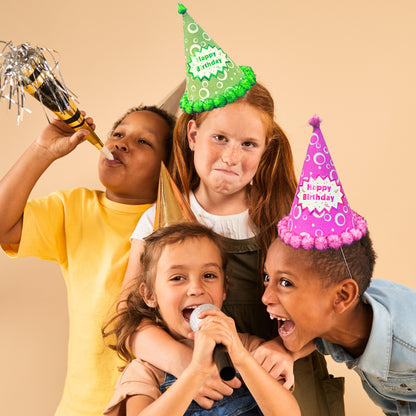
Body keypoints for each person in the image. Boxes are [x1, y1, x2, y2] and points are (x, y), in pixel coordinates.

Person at [120, 6, 345, 416]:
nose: (231, 157)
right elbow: (128, 319)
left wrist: (286, 349)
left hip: (285, 384)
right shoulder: (160, 219)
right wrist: (187, 363)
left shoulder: (289, 218)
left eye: (248, 144)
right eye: (219, 138)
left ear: (265, 150)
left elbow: (334, 306)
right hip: (199, 389)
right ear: (193, 134)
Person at [0, 105, 176, 416]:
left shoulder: (176, 225)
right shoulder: (74, 208)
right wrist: (42, 151)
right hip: (79, 408)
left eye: (143, 141)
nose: (121, 143)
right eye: (118, 134)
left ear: (169, 167)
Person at [262, 116, 416, 415]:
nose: (265, 296)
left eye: (285, 282)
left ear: (343, 296)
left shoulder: (409, 343)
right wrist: (283, 349)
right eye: (267, 277)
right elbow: (321, 325)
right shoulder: (342, 316)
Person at [103, 222, 301, 416]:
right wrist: (195, 372)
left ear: (224, 289)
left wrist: (242, 358)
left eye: (208, 275)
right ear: (149, 295)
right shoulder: (144, 371)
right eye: (177, 278)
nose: (196, 289)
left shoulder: (250, 348)